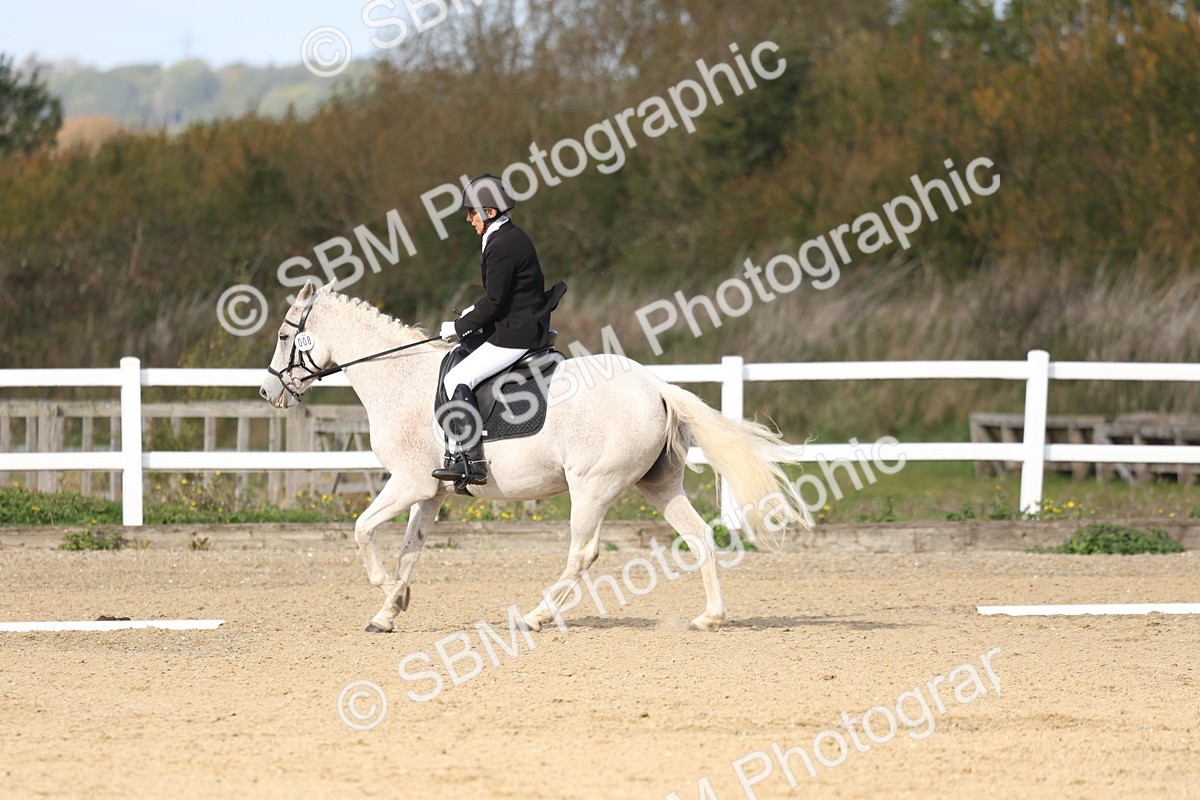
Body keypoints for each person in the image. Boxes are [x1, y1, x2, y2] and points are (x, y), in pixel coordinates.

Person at [432, 174, 564, 486]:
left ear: (490, 212)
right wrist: (471, 313)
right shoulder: (508, 236)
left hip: (516, 333)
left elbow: (494, 302)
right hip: (519, 320)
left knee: (457, 378)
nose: (468, 219)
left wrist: (459, 327)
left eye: (472, 213)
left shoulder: (501, 245)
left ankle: (471, 461)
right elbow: (503, 295)